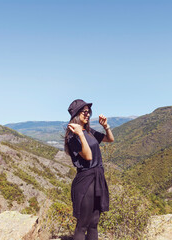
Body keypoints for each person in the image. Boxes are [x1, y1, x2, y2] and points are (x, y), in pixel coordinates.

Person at [64, 99, 114, 240]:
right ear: (76, 114)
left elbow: (109, 139)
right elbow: (88, 156)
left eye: (88, 112)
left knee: (94, 223)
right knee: (83, 224)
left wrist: (106, 126)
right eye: (84, 112)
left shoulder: (89, 131)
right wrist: (80, 134)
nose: (87, 114)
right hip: (85, 181)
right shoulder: (73, 135)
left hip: (97, 178)